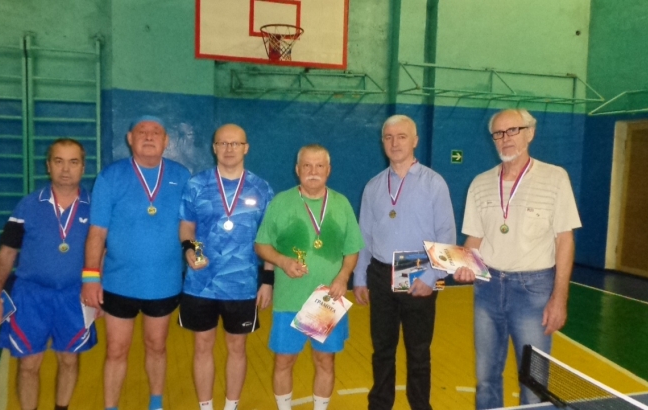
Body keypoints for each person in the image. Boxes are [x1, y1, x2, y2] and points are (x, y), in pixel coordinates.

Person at [454, 109, 581, 409]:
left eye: (513, 130)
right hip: (487, 289)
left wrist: (559, 298)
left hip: (533, 291)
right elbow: (474, 239)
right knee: (486, 379)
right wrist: (462, 264)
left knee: (534, 384)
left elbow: (565, 240)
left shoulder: (555, 178)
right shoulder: (480, 183)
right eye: (499, 133)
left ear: (530, 133)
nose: (506, 138)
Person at [81, 116, 191, 410]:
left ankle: (156, 404)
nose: (149, 136)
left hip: (164, 282)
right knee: (116, 350)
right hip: (118, 282)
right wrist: (91, 277)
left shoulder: (181, 176)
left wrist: (197, 254)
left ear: (166, 141)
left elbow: (191, 226)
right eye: (142, 131)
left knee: (157, 346)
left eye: (156, 132)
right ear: (130, 138)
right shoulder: (110, 176)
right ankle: (111, 407)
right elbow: (97, 233)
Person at [353, 114, 456, 410]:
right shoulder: (373, 186)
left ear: (415, 141)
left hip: (420, 270)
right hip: (380, 273)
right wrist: (360, 278)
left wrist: (432, 276)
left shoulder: (434, 183)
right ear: (382, 142)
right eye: (388, 137)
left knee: (419, 351)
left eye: (401, 136)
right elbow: (364, 235)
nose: (395, 143)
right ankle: (380, 405)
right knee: (382, 349)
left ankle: (421, 406)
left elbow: (447, 235)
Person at [0, 138, 96, 410]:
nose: (66, 169)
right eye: (59, 161)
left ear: (83, 167)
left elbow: (103, 252)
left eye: (73, 162)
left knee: (69, 359)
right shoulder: (27, 206)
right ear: (48, 166)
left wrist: (98, 291)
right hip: (30, 296)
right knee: (28, 364)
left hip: (75, 295)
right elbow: (7, 253)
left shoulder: (95, 207)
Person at [255, 144, 364, 410]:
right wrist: (282, 261)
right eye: (307, 166)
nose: (313, 171)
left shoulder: (341, 203)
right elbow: (262, 245)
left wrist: (343, 277)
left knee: (325, 361)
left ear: (328, 170)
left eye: (319, 166)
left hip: (327, 299)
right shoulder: (281, 202)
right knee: (284, 361)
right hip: (290, 299)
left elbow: (352, 250)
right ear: (297, 169)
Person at [178, 124, 275, 410]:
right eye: (222, 143)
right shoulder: (196, 185)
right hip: (201, 283)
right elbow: (187, 226)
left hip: (242, 284)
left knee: (237, 348)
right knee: (202, 346)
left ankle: (230, 407)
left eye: (235, 144)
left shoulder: (262, 188)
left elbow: (269, 238)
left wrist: (267, 280)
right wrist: (190, 250)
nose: (229, 149)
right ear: (214, 148)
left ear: (246, 148)